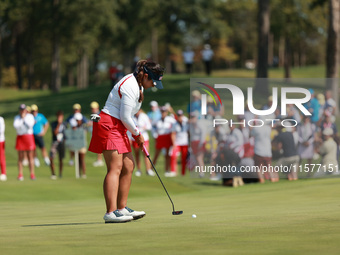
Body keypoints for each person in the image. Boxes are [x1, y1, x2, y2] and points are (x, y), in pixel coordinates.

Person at [88, 59, 165, 223]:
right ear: (145, 75)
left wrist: (135, 133)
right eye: (152, 81)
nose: (153, 85)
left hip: (120, 127)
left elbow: (126, 117)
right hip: (109, 125)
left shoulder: (139, 84)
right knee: (115, 168)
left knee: (129, 165)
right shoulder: (130, 86)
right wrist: (137, 134)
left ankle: (121, 208)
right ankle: (110, 212)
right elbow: (124, 116)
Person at [13, 104, 36, 180]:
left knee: (30, 156)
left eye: (23, 110)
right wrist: (21, 119)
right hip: (20, 137)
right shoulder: (17, 117)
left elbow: (30, 125)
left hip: (28, 136)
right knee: (20, 157)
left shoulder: (30, 117)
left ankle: (32, 174)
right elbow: (16, 126)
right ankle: (20, 174)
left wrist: (24, 118)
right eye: (21, 110)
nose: (22, 111)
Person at [152, 106, 176, 177]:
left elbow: (176, 122)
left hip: (167, 137)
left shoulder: (170, 119)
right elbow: (152, 127)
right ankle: (150, 169)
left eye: (164, 112)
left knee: (167, 155)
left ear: (166, 112)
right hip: (160, 137)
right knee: (156, 154)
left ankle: (167, 170)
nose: (163, 113)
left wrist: (172, 111)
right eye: (162, 112)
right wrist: (155, 135)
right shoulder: (157, 119)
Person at [132, 109, 155, 177]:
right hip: (134, 138)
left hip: (144, 137)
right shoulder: (131, 116)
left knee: (146, 154)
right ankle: (139, 170)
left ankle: (148, 170)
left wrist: (143, 128)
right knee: (137, 154)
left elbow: (149, 126)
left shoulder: (144, 116)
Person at [49, 110, 67, 179]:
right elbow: (55, 133)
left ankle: (60, 173)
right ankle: (53, 173)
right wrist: (58, 124)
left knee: (61, 159)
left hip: (62, 143)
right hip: (55, 142)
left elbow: (66, 134)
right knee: (51, 157)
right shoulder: (54, 124)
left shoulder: (65, 124)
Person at [171, 110, 189, 176]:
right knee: (173, 156)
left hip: (185, 143)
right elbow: (173, 134)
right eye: (178, 116)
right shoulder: (175, 124)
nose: (180, 117)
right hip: (177, 143)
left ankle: (183, 173)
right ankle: (173, 171)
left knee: (184, 158)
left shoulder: (186, 122)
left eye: (181, 116)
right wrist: (173, 144)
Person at [70, 112, 88, 178]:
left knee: (82, 159)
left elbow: (84, 133)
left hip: (82, 144)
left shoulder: (83, 126)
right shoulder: (74, 127)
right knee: (77, 159)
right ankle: (78, 173)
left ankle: (83, 173)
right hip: (76, 144)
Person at [90, 101, 104, 167]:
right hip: (96, 133)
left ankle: (100, 160)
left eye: (94, 108)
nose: (93, 109)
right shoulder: (94, 115)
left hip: (100, 133)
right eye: (92, 108)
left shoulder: (99, 114)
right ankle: (99, 160)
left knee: (99, 147)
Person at [0, 115, 7, 181]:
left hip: (0, 141)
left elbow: (1, 130)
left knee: (1, 157)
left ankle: (3, 173)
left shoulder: (1, 119)